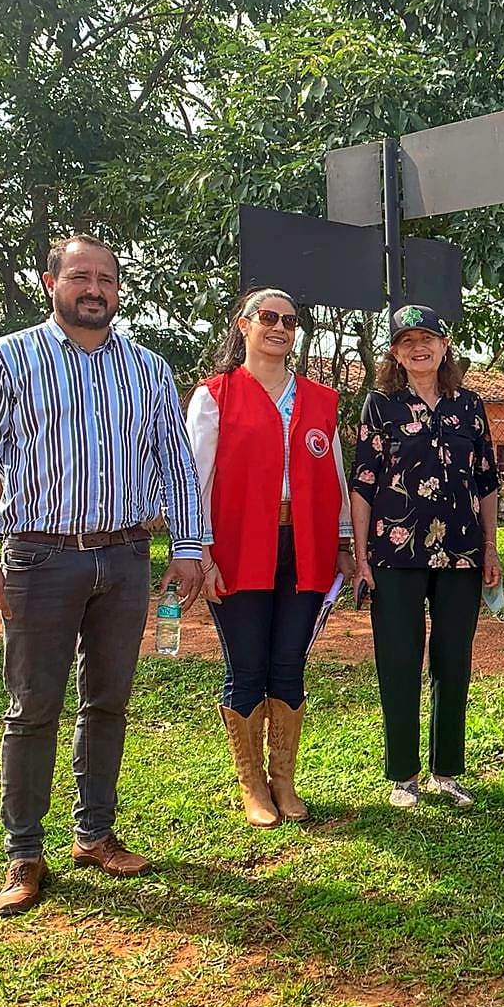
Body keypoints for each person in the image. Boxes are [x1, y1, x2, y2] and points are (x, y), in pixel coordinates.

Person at [0, 233, 204, 918]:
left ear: (119, 290)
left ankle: (94, 835)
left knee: (108, 701)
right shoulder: (4, 360)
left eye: (108, 279)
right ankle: (24, 852)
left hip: (123, 557)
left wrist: (188, 546)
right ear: (50, 281)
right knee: (32, 708)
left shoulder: (148, 368)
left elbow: (174, 462)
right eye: (81, 276)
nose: (96, 288)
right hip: (38, 557)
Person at [186, 288, 353, 827]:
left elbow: (336, 476)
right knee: (247, 664)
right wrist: (198, 551)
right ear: (244, 325)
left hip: (306, 548)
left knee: (289, 662)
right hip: (236, 549)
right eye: (268, 317)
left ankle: (284, 782)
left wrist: (346, 542)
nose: (280, 326)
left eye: (290, 319)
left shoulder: (320, 400)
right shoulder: (216, 396)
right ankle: (251, 784)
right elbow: (195, 481)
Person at [350, 305, 502, 808]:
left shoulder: (470, 405)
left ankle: (447, 771)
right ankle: (403, 775)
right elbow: (364, 481)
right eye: (407, 340)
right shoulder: (380, 405)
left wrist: (490, 545)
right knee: (398, 659)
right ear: (394, 351)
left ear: (445, 345)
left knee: (452, 660)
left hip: (460, 551)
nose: (419, 347)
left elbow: (485, 480)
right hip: (394, 553)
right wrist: (361, 554)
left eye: (428, 338)